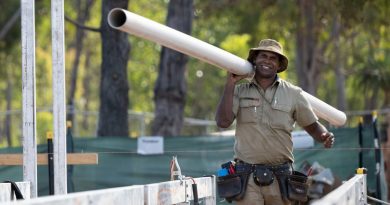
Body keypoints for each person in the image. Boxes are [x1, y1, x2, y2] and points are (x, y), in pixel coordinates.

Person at [215, 39, 335, 205]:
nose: (267, 60)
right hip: (247, 177)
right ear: (255, 60)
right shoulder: (239, 90)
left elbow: (313, 126)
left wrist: (324, 136)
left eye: (273, 58)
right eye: (263, 56)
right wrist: (230, 84)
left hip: (281, 178)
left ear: (279, 65)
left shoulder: (294, 94)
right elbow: (222, 121)